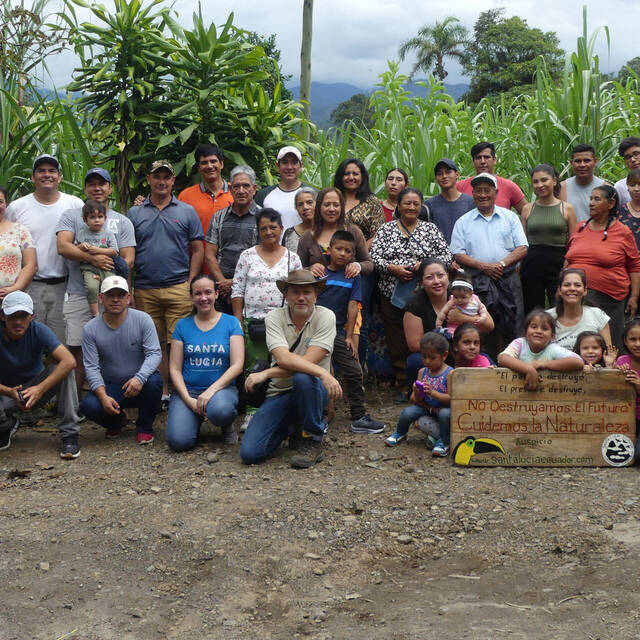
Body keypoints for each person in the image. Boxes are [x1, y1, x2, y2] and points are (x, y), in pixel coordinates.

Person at [240, 269, 342, 469]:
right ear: (286, 295)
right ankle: (292, 427)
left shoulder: (326, 316)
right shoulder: (274, 317)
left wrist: (267, 373)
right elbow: (283, 358)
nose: (301, 298)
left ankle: (312, 439)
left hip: (313, 389)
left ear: (316, 295)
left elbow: (309, 362)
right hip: (280, 391)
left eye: (307, 292)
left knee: (304, 377)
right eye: (295, 292)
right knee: (250, 453)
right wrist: (324, 372)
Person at [127, 160, 204, 407]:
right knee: (153, 343)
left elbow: (197, 248)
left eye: (166, 177)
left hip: (178, 286)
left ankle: (181, 389)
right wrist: (129, 288)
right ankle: (161, 392)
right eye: (157, 177)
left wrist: (190, 281)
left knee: (178, 341)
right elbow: (127, 254)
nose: (162, 181)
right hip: (145, 288)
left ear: (173, 181)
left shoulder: (186, 211)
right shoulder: (134, 213)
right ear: (148, 179)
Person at [57, 168, 136, 392]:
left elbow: (128, 259)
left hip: (114, 294)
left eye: (102, 183)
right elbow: (63, 246)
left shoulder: (122, 222)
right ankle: (75, 403)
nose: (97, 188)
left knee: (112, 347)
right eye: (92, 184)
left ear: (110, 188)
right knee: (76, 347)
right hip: (78, 291)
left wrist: (106, 266)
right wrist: (94, 259)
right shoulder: (72, 216)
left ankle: (109, 396)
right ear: (85, 189)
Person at [371, 189, 452, 394]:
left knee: (422, 337)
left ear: (421, 206)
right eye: (407, 203)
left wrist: (423, 265)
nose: (411, 207)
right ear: (398, 206)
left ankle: (432, 379)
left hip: (425, 295)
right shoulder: (387, 229)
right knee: (396, 337)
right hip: (392, 292)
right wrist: (393, 268)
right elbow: (373, 257)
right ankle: (403, 383)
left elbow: (446, 256)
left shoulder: (430, 229)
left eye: (416, 203)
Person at [231, 209, 302, 429]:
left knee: (280, 365)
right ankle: (252, 411)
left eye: (273, 227)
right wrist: (238, 321)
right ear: (258, 231)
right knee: (254, 367)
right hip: (253, 322)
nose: (269, 232)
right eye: (264, 228)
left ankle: (278, 411)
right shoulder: (247, 256)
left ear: (281, 229)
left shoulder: (292, 258)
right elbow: (237, 289)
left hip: (283, 322)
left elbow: (299, 290)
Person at [6, 155, 83, 341]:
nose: (46, 175)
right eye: (41, 171)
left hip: (64, 286)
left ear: (59, 177)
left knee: (61, 343)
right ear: (33, 177)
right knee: (28, 341)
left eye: (52, 171)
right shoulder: (17, 207)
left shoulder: (75, 204)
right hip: (30, 286)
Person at [450, 172, 528, 354]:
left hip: (507, 277)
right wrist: (483, 266)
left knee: (514, 321)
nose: (482, 194)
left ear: (496, 192)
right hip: (477, 280)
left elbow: (523, 247)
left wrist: (500, 264)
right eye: (478, 191)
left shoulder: (510, 217)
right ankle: (486, 363)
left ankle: (514, 362)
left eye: (487, 190)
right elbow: (458, 254)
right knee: (481, 323)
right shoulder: (463, 222)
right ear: (473, 194)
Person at [316, 230, 385, 434]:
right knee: (318, 373)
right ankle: (318, 416)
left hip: (337, 331)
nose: (343, 254)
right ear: (329, 250)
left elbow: (353, 306)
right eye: (339, 249)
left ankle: (358, 416)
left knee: (354, 370)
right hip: (315, 331)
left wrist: (349, 336)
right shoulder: (319, 274)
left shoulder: (352, 276)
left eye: (348, 251)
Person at [166, 274, 244, 451]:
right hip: (190, 390)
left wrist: (211, 391)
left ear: (216, 294)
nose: (203, 298)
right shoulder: (182, 325)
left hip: (221, 390)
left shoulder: (231, 322)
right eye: (198, 293)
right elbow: (175, 368)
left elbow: (237, 365)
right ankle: (193, 419)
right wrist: (187, 399)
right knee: (179, 442)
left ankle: (225, 423)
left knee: (220, 411)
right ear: (191, 297)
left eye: (208, 292)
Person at [81, 276, 162, 445]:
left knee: (155, 382)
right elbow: (91, 366)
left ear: (128, 298)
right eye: (110, 295)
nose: (116, 299)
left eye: (121, 295)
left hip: (140, 384)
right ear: (101, 298)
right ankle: (115, 422)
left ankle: (145, 427)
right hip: (112, 386)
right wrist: (102, 396)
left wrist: (140, 378)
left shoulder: (143, 319)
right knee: (89, 405)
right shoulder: (90, 329)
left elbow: (155, 353)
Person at [0, 291, 80, 458]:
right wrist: (9, 391)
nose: (18, 322)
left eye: (23, 316)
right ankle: (5, 426)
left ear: (32, 316)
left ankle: (70, 435)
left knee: (64, 369)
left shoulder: (39, 330)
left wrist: (40, 389)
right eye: (12, 316)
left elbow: (69, 361)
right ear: (2, 316)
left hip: (35, 390)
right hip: (5, 394)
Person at [565, 185, 640, 348]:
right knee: (579, 343)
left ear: (611, 203)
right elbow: (569, 258)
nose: (591, 203)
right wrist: (562, 283)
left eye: (597, 199)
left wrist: (634, 297)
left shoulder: (623, 232)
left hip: (609, 298)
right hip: (575, 296)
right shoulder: (581, 227)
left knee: (610, 344)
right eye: (591, 198)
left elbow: (634, 266)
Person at [384, 331, 452, 457]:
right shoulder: (422, 372)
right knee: (407, 412)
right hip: (427, 408)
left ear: (444, 355)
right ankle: (400, 433)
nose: (427, 361)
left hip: (444, 408)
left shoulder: (449, 373)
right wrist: (418, 392)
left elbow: (451, 399)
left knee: (445, 414)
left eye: (432, 358)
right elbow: (416, 400)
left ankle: (445, 441)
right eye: (424, 356)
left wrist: (433, 393)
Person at [520, 164, 577, 313]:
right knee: (532, 308)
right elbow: (522, 242)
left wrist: (567, 266)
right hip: (531, 262)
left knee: (559, 306)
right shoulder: (528, 208)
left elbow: (573, 242)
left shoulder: (567, 208)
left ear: (555, 181)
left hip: (558, 262)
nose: (540, 185)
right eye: (536, 181)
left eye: (544, 180)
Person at [204, 165, 260, 312]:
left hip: (252, 288)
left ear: (254, 189)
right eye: (236, 186)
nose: (241, 191)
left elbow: (264, 257)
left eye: (246, 186)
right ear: (231, 189)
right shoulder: (219, 216)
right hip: (221, 290)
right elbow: (209, 254)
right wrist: (223, 283)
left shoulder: (263, 218)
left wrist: (235, 284)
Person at [178, 144, 233, 273]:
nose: (209, 166)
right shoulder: (186, 196)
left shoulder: (236, 192)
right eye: (204, 163)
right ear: (198, 168)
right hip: (198, 270)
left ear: (221, 164)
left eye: (213, 161)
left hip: (231, 270)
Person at [497, 310, 584, 391]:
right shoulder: (520, 343)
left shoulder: (552, 349)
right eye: (534, 327)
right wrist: (529, 370)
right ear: (526, 332)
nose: (538, 331)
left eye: (544, 329)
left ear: (552, 336)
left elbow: (578, 362)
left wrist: (544, 364)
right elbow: (503, 358)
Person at [297, 187, 373, 278]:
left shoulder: (353, 231)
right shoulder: (307, 237)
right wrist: (310, 269)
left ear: (342, 207)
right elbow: (298, 269)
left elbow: (369, 264)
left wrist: (358, 266)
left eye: (336, 205)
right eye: (327, 204)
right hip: (317, 290)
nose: (331, 209)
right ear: (319, 207)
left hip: (348, 290)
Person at [76, 199, 129, 317]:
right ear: (85, 220)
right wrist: (81, 246)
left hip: (107, 268)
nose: (96, 220)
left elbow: (114, 251)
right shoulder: (82, 233)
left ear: (105, 218)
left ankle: (112, 313)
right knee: (91, 287)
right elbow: (76, 248)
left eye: (100, 216)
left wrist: (98, 250)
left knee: (114, 285)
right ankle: (95, 314)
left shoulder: (108, 233)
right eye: (92, 217)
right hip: (89, 269)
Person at [546, 268, 611, 350]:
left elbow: (609, 353)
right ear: (559, 290)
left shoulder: (598, 315)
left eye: (577, 285)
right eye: (567, 285)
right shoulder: (547, 317)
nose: (572, 288)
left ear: (585, 291)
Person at [457, 142, 527, 214]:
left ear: (494, 160)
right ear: (473, 162)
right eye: (478, 158)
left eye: (486, 157)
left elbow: (527, 212)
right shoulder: (459, 187)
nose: (483, 161)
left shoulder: (509, 187)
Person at [334, 158, 385, 247]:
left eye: (355, 174)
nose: (351, 177)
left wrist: (361, 251)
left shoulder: (371, 201)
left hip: (364, 254)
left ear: (362, 177)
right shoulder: (332, 198)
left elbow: (379, 232)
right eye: (346, 174)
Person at [255, 146, 307, 231]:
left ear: (301, 166)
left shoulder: (311, 195)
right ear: (277, 166)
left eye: (294, 162)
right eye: (285, 162)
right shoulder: (263, 195)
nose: (289, 167)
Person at [0, 186, 37, 301]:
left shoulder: (20, 230)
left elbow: (31, 265)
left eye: (0, 201)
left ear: (6, 204)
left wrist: (16, 288)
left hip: (13, 298)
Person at [426, 158, 475, 244]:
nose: (444, 176)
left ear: (457, 174)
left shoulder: (471, 202)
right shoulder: (429, 205)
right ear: (436, 179)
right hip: (439, 255)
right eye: (440, 174)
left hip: (466, 254)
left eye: (448, 172)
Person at [559, 144, 605, 222]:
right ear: (571, 163)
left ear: (595, 161)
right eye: (578, 161)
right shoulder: (561, 188)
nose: (582, 165)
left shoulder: (605, 188)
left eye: (587, 160)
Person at [616, 318, 640, 458]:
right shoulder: (622, 361)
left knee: (637, 455)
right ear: (625, 341)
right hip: (625, 417)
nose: (637, 344)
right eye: (633, 339)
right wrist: (618, 373)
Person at [282, 187, 316, 254]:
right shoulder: (290, 234)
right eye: (300, 204)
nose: (305, 207)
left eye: (309, 202)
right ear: (296, 208)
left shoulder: (326, 231)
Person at [618, 169, 640, 249]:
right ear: (627, 186)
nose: (636, 189)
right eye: (632, 185)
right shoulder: (619, 212)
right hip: (626, 259)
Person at [614, 137, 640, 206]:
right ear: (625, 163)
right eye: (628, 157)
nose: (633, 160)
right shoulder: (620, 187)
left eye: (636, 154)